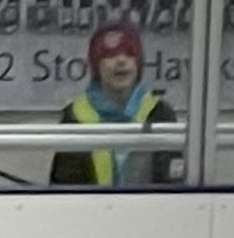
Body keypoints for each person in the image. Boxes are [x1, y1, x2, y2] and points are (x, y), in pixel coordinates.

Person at [48, 22, 176, 187]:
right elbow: (64, 190)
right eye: (110, 55)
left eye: (130, 54)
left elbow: (171, 184)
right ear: (96, 65)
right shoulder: (75, 115)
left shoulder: (160, 114)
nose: (121, 61)